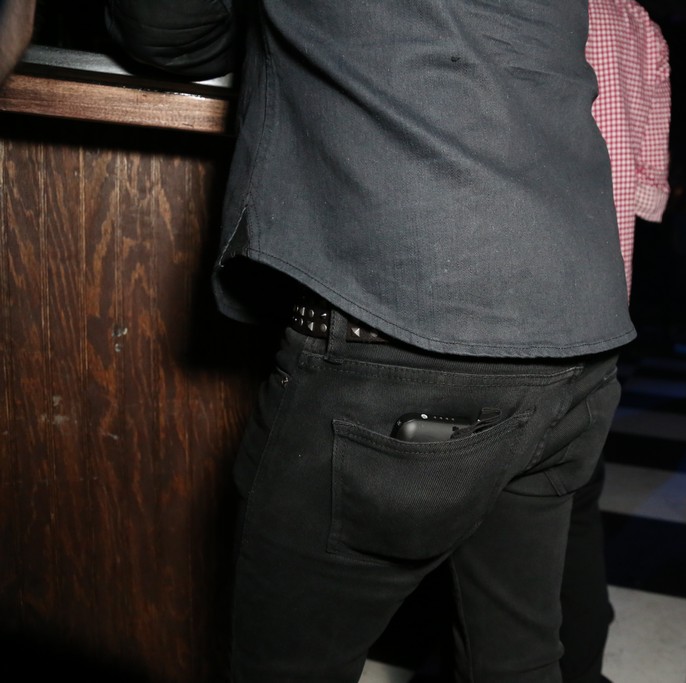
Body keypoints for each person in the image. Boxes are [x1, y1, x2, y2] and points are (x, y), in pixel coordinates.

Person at [107, 2, 634, 682]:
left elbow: (164, 27)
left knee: (289, 669)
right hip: (580, 326)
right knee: (519, 657)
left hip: (411, 319)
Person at [559, 2, 670, 682]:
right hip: (596, 309)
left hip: (487, 296)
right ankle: (581, 664)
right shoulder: (638, 27)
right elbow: (648, 195)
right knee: (573, 503)